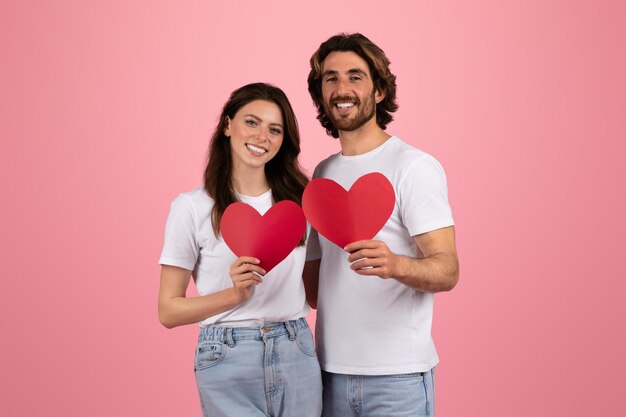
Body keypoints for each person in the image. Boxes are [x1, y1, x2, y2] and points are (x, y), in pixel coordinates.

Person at [304, 33, 460, 417]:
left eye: (356, 76)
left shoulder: (414, 166)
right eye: (331, 78)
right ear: (321, 93)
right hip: (328, 374)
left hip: (398, 379)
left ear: (378, 92)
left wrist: (396, 265)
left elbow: (448, 269)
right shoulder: (321, 175)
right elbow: (314, 289)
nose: (343, 88)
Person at [158, 82, 322, 417]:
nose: (262, 136)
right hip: (226, 355)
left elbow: (315, 292)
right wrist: (233, 295)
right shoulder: (191, 207)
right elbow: (168, 311)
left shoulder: (302, 204)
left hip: (296, 349)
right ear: (227, 125)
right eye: (252, 122)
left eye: (274, 129)